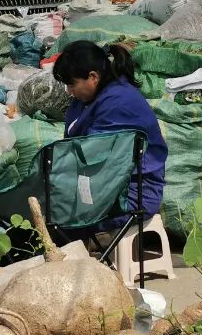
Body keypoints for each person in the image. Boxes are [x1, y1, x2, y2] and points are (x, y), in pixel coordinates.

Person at [52, 40, 167, 229]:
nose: (69, 92)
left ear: (93, 77)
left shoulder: (119, 103)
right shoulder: (90, 98)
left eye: (72, 84)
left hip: (132, 193)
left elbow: (96, 158)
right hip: (104, 186)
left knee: (58, 219)